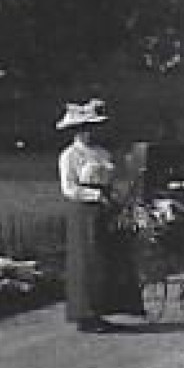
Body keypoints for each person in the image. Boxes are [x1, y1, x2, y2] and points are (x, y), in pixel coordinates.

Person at [57, 98, 144, 332]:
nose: (86, 133)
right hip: (83, 209)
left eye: (90, 128)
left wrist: (117, 196)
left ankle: (104, 309)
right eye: (81, 129)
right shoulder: (69, 156)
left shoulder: (101, 153)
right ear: (74, 131)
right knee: (87, 258)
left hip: (106, 206)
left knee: (106, 256)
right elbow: (69, 188)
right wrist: (96, 197)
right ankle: (85, 315)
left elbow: (112, 179)